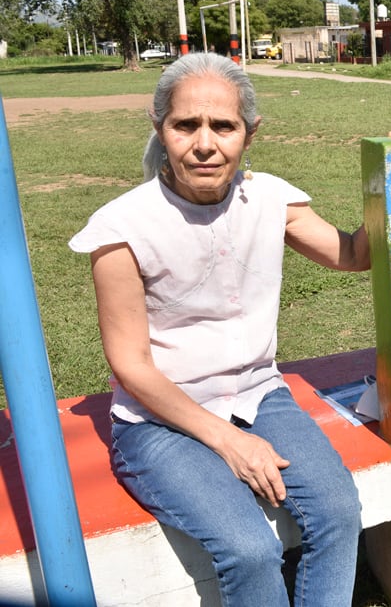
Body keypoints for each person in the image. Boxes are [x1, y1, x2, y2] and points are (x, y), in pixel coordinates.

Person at [70, 52, 371, 606]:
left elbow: (353, 254)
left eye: (223, 126)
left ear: (249, 134)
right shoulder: (120, 228)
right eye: (186, 125)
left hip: (260, 396)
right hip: (158, 421)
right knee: (250, 551)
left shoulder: (272, 198)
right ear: (160, 128)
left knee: (339, 514)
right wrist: (231, 442)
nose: (204, 144)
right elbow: (131, 366)